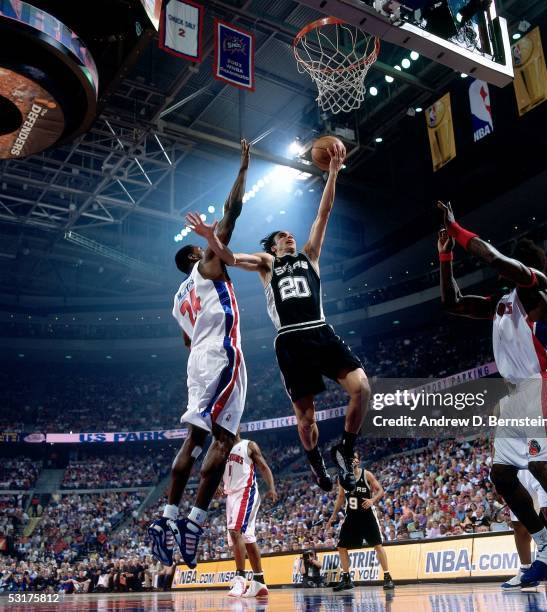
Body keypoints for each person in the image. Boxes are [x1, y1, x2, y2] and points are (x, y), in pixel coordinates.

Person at [436, 200, 547, 598]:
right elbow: (452, 303)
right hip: (515, 395)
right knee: (502, 474)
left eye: (511, 264)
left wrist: (458, 229)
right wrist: (446, 254)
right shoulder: (503, 303)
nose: (504, 267)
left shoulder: (539, 289)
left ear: (525, 267)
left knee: (542, 468)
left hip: (542, 384)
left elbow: (494, 258)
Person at [193, 144, 370, 492]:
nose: (289, 236)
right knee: (306, 421)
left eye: (289, 234)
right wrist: (211, 238)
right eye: (281, 236)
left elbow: (324, 213)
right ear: (274, 246)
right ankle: (315, 459)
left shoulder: (310, 255)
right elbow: (229, 258)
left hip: (320, 331)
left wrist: (333, 171)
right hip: (290, 339)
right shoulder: (267, 263)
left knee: (362, 389)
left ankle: (345, 451)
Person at [148, 139, 251, 569]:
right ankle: (191, 520)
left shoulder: (177, 298)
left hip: (198, 362)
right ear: (197, 254)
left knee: (196, 437)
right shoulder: (207, 264)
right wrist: (243, 168)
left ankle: (170, 515)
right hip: (222, 355)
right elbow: (232, 215)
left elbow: (187, 341)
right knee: (223, 439)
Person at [326, 451, 394, 591]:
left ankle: (387, 577)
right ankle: (346, 579)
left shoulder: (366, 474)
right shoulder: (343, 478)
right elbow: (340, 497)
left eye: (354, 458)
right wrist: (333, 515)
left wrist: (372, 500)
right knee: (341, 546)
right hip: (351, 517)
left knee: (377, 545)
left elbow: (380, 490)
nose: (352, 461)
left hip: (367, 515)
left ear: (358, 460)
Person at [223, 433, 278, 598]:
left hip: (246, 492)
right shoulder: (222, 448)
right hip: (230, 496)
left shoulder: (249, 445)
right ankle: (259, 582)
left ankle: (240, 579)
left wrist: (272, 487)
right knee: (246, 538)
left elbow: (263, 467)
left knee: (235, 531)